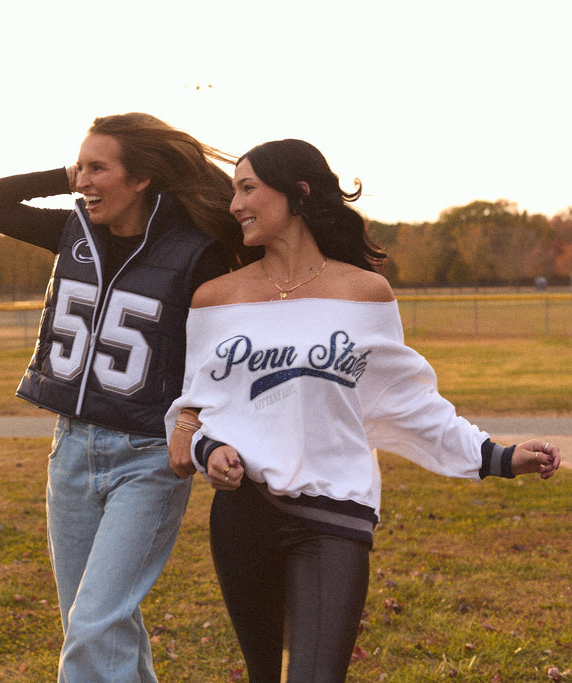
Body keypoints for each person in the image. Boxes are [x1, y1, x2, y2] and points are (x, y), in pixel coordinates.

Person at [165, 138, 562, 682]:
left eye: (247, 187)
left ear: (298, 193)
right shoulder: (215, 298)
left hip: (333, 514)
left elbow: (407, 402)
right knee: (265, 676)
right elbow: (194, 410)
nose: (234, 205)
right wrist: (209, 450)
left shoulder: (365, 294)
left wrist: (497, 456)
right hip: (243, 517)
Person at [0, 113, 256, 682]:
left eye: (99, 168)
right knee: (97, 625)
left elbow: (217, 364)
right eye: (80, 165)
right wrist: (66, 175)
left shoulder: (198, 253)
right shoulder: (72, 233)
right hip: (70, 450)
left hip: (148, 458)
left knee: (94, 624)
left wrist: (205, 436)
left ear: (140, 179)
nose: (83, 179)